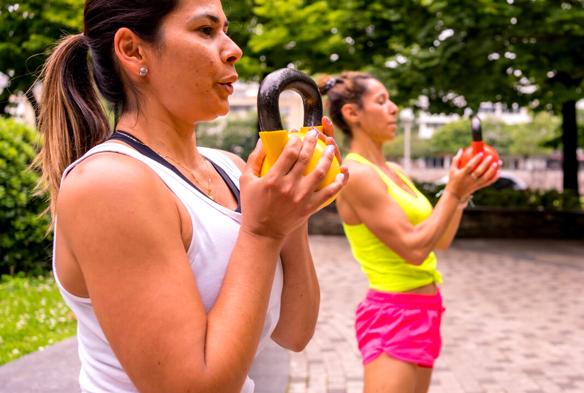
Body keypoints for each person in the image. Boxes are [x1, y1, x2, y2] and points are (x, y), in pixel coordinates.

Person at [38, 1, 347, 392]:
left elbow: (294, 332)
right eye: (205, 30)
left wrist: (292, 213)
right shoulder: (109, 183)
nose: (234, 48)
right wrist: (262, 233)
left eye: (225, 29)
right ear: (133, 51)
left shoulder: (232, 168)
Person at [318, 72, 501, 393]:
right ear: (352, 113)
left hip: (426, 312)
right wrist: (453, 193)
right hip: (393, 315)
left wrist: (465, 189)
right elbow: (413, 249)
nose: (394, 108)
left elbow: (438, 240)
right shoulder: (358, 173)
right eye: (381, 101)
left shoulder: (395, 172)